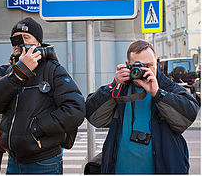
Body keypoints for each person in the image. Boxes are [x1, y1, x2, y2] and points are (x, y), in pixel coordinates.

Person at [0, 17, 85, 174]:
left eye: (26, 37)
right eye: (15, 39)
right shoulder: (5, 72)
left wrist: (37, 127)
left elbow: (75, 109)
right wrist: (19, 73)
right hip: (13, 161)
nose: (20, 43)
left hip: (44, 162)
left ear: (38, 43)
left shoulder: (52, 69)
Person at [85, 40, 199, 174]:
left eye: (149, 65)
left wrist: (158, 93)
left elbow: (188, 116)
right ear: (128, 65)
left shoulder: (168, 88)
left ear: (157, 64)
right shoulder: (119, 89)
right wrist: (113, 86)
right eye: (138, 66)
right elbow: (93, 116)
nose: (144, 71)